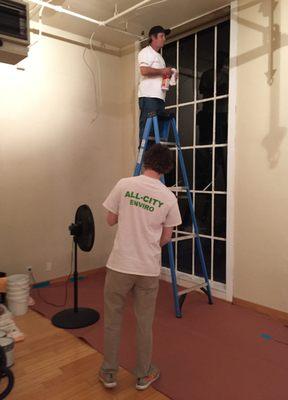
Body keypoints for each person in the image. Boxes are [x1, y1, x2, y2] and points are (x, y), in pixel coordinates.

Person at [99, 144, 182, 391]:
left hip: (120, 265)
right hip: (147, 268)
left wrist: (130, 220)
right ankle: (143, 374)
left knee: (113, 320)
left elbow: (110, 219)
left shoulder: (124, 185)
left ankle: (109, 373)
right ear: (166, 168)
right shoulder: (169, 197)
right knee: (144, 323)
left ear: (145, 161)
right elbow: (166, 237)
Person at [138, 25, 175, 140]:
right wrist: (163, 71)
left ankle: (155, 157)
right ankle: (145, 157)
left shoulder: (160, 58)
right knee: (147, 133)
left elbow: (160, 75)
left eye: (164, 36)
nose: (164, 39)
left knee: (156, 134)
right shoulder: (146, 52)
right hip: (149, 97)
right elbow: (144, 70)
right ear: (153, 37)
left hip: (160, 98)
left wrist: (170, 75)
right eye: (161, 36)